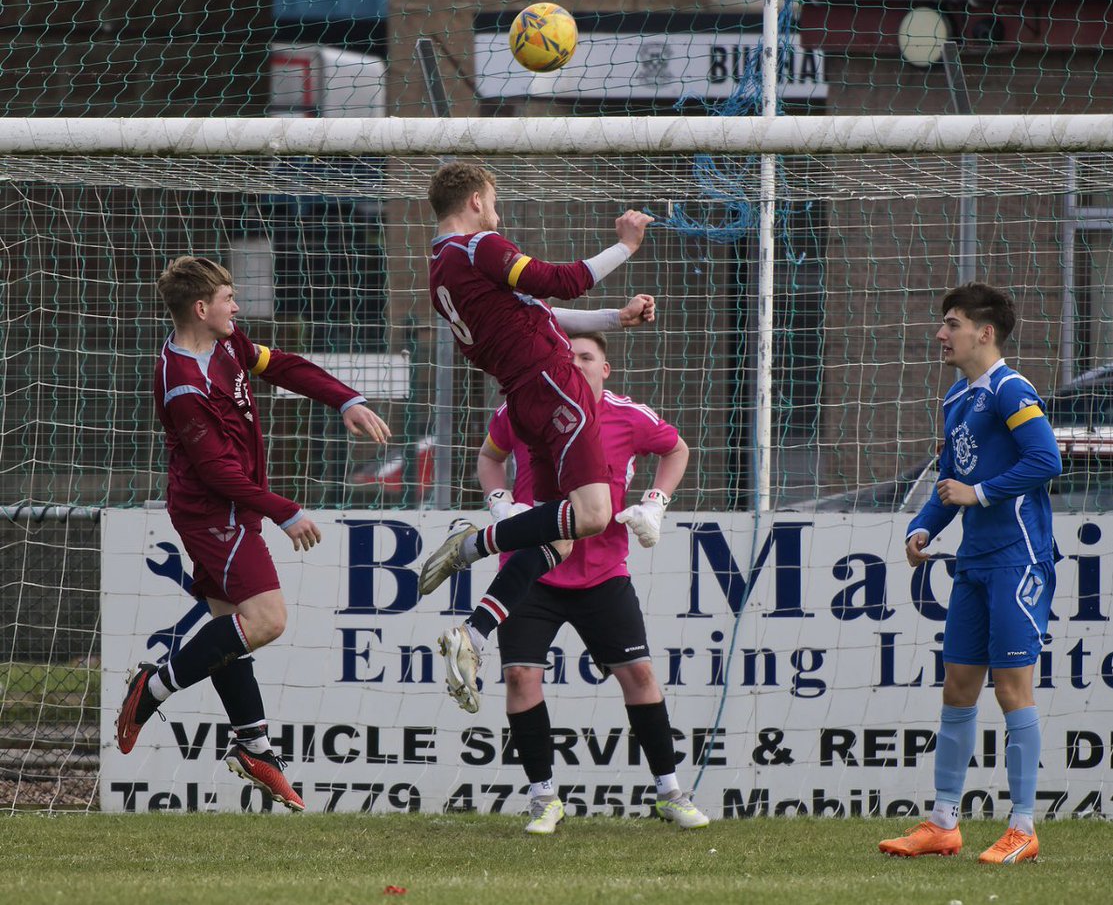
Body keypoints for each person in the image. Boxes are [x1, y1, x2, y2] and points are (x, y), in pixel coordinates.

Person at [117, 255, 391, 811]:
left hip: (232, 505)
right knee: (266, 620)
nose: (237, 307)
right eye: (228, 299)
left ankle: (254, 744)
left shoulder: (227, 344)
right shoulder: (183, 383)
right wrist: (283, 511)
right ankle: (155, 687)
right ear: (202, 308)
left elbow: (281, 364)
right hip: (211, 513)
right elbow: (217, 472)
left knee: (227, 626)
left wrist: (347, 398)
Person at [421, 160, 654, 713]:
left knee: (558, 537)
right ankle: (474, 543)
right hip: (555, 388)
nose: (496, 212)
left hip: (526, 397)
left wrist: (613, 320)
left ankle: (472, 636)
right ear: (476, 199)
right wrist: (625, 246)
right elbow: (557, 280)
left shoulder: (440, 271)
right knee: (594, 514)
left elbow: (539, 313)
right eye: (493, 200)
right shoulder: (478, 248)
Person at [479, 332, 708, 833]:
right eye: (569, 356)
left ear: (606, 370)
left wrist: (655, 503)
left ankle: (669, 791)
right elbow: (489, 457)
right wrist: (499, 504)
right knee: (520, 677)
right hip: (530, 570)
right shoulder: (525, 408)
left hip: (603, 575)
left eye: (588, 357)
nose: (577, 363)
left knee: (640, 675)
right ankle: (544, 798)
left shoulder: (628, 415)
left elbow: (677, 449)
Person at [879, 282, 1061, 864]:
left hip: (1018, 557)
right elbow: (950, 480)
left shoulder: (1011, 388)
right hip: (975, 563)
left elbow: (1045, 459)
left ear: (984, 332)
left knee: (1012, 689)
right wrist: (925, 526)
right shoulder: (957, 398)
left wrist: (979, 493)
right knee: (958, 688)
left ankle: (1024, 827)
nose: (941, 333)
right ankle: (943, 824)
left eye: (952, 323)